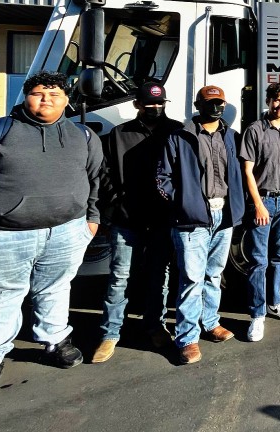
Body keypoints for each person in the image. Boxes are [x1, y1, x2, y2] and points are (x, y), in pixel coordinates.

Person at [0, 71, 102, 400]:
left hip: (66, 232)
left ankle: (54, 341)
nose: (46, 99)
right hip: (4, 235)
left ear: (67, 100)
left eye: (54, 93)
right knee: (1, 296)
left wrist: (91, 218)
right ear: (25, 97)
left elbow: (95, 180)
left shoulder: (83, 136)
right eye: (38, 93)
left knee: (56, 289)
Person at [92, 81, 183, 363]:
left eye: (159, 104)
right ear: (137, 105)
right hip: (127, 218)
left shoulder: (176, 131)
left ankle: (155, 326)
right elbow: (103, 172)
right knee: (119, 278)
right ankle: (110, 334)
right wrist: (116, 202)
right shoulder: (119, 134)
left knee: (159, 277)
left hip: (162, 219)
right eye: (148, 104)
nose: (154, 108)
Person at [157, 85, 245, 364]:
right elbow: (163, 176)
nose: (216, 107)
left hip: (223, 215)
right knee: (191, 279)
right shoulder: (180, 135)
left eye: (220, 102)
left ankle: (210, 322)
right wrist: (183, 203)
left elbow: (239, 174)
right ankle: (187, 338)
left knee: (213, 274)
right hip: (192, 217)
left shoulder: (231, 136)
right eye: (210, 102)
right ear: (198, 104)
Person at [240, 82, 280, 343]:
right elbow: (247, 171)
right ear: (268, 101)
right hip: (263, 202)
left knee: (278, 257)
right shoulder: (255, 130)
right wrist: (258, 203)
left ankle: (275, 302)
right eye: (277, 100)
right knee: (258, 261)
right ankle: (257, 314)